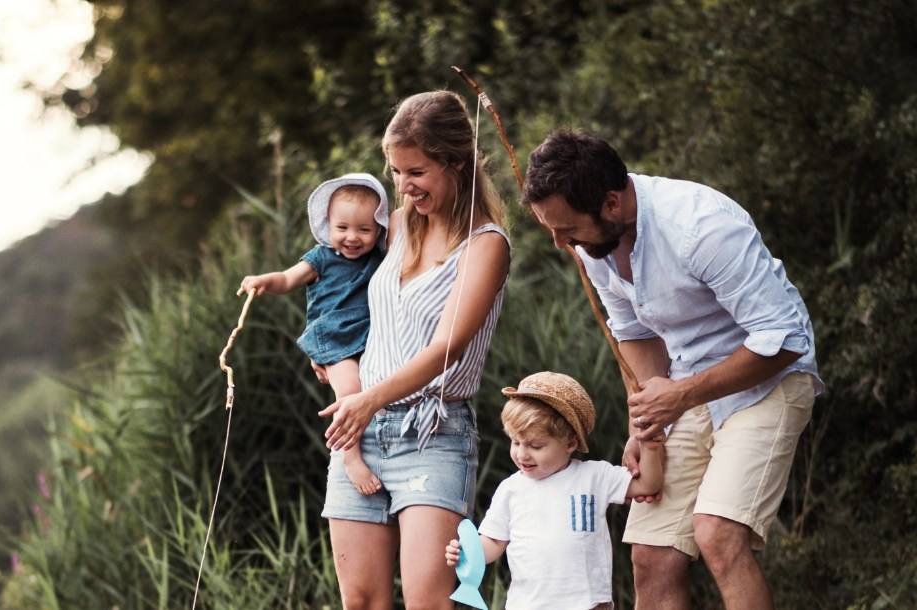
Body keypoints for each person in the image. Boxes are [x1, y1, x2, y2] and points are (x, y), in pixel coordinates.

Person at [519, 129, 823, 610]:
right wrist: (647, 422)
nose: (560, 244)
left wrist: (679, 397)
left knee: (718, 536)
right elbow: (633, 333)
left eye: (567, 229)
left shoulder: (702, 226)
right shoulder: (594, 246)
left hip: (766, 380)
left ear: (611, 204)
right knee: (652, 555)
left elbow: (783, 340)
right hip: (687, 385)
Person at [317, 90, 511, 609]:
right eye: (397, 172)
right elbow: (339, 273)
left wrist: (367, 399)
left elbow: (445, 347)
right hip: (363, 432)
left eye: (416, 172)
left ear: (456, 163)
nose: (403, 186)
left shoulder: (486, 245)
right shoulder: (398, 225)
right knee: (361, 602)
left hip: (436, 432)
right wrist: (328, 341)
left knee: (429, 602)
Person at [445, 371, 663, 610]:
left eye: (536, 445)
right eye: (516, 442)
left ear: (570, 443)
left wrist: (650, 448)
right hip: (528, 604)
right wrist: (468, 553)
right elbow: (494, 542)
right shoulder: (511, 489)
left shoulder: (594, 476)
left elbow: (647, 485)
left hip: (588, 603)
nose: (522, 454)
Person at [240, 173, 391, 495]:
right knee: (350, 391)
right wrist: (264, 281)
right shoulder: (321, 257)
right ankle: (350, 457)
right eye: (342, 228)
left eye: (364, 229)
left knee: (376, 388)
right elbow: (287, 278)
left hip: (370, 336)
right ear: (327, 225)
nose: (352, 237)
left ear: (378, 228)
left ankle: (381, 446)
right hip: (334, 336)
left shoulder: (380, 259)